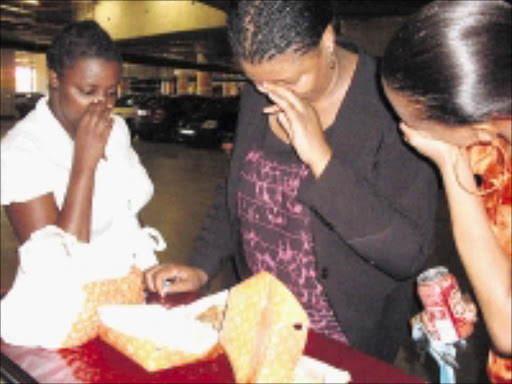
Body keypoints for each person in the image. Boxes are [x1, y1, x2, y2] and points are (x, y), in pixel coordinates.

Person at [145, 0, 438, 362]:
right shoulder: (263, 89)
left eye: (290, 80)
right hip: (257, 325)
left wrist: (322, 158)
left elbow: (407, 253)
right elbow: (234, 191)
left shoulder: (392, 106)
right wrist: (201, 266)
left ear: (328, 40)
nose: (272, 94)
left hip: (341, 343)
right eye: (257, 81)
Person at [381, 1, 511, 381]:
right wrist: (480, 298)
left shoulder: (471, 148)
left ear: (476, 124)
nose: (408, 135)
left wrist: (449, 162)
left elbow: (507, 329)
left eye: (412, 125)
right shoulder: (494, 148)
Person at [1, 21, 163, 296]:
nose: (103, 105)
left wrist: (150, 275)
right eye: (88, 92)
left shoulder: (116, 130)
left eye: (111, 92)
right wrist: (84, 165)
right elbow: (58, 271)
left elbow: (127, 216)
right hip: (63, 311)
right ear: (54, 78)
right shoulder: (19, 151)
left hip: (125, 290)